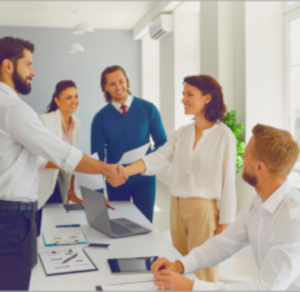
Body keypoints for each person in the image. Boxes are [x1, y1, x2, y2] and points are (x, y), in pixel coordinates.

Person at [0, 37, 125, 291]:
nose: (33, 71)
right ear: (8, 65)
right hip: (12, 220)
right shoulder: (13, 108)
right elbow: (62, 153)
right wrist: (106, 169)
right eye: (28, 64)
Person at [149, 124, 300, 291]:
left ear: (259, 168)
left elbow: (264, 289)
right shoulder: (255, 203)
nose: (241, 156)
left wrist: (191, 287)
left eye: (246, 153)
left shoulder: (298, 221)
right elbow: (223, 244)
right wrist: (180, 265)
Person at [110, 75, 237, 282]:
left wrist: (225, 223)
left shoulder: (224, 136)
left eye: (189, 94)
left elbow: (228, 182)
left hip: (203, 209)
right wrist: (124, 171)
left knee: (203, 271)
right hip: (176, 206)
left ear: (207, 98)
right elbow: (158, 158)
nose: (183, 99)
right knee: (179, 265)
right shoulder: (183, 133)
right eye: (183, 94)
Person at [91, 65, 167, 223]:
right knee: (120, 225)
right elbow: (97, 159)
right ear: (105, 87)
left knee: (145, 226)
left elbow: (162, 144)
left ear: (127, 81)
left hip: (144, 180)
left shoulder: (148, 109)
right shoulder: (100, 118)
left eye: (121, 81)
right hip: (116, 182)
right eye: (112, 84)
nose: (118, 87)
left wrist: (149, 164)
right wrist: (98, 193)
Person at [34, 80, 83, 236]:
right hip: (44, 182)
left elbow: (72, 155)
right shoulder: (45, 120)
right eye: (68, 97)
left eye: (76, 96)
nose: (74, 101)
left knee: (56, 226)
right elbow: (36, 158)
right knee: (42, 227)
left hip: (61, 182)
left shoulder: (77, 123)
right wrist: (64, 165)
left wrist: (71, 189)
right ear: (57, 100)